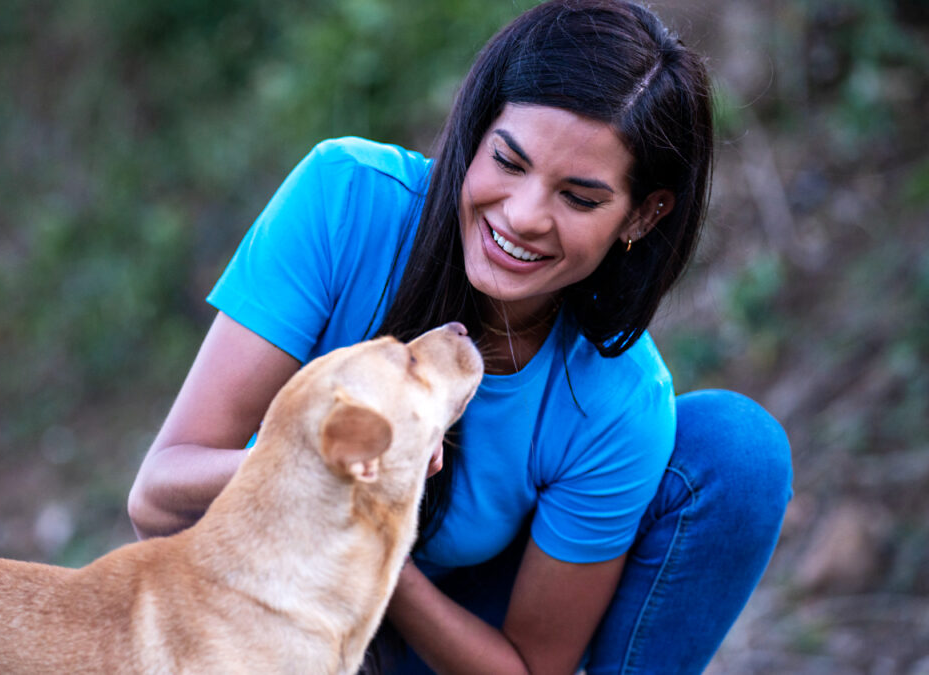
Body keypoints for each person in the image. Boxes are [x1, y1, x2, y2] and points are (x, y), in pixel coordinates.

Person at [127, 0, 793, 672]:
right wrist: (329, 468)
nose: (524, 215)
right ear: (478, 130)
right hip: (266, 607)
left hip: (431, 636)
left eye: (579, 197)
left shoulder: (615, 397)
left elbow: (530, 668)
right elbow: (156, 496)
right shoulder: (347, 198)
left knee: (736, 452)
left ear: (643, 215)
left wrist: (386, 526)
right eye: (508, 160)